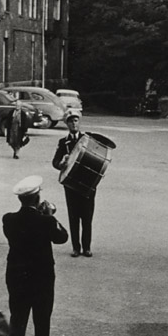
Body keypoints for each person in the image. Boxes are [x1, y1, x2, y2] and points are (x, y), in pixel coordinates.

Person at [2, 176, 69, 336]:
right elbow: (62, 238)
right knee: (42, 320)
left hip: (17, 275)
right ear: (37, 198)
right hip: (42, 277)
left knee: (17, 318)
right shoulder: (46, 221)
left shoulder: (8, 219)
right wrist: (51, 217)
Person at [52, 110, 96, 257]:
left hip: (87, 183)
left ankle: (87, 247)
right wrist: (62, 163)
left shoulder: (87, 139)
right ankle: (76, 248)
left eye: (76, 120)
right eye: (71, 121)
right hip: (71, 185)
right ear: (67, 124)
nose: (74, 123)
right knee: (74, 217)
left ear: (79, 122)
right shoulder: (63, 143)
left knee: (87, 217)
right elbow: (55, 163)